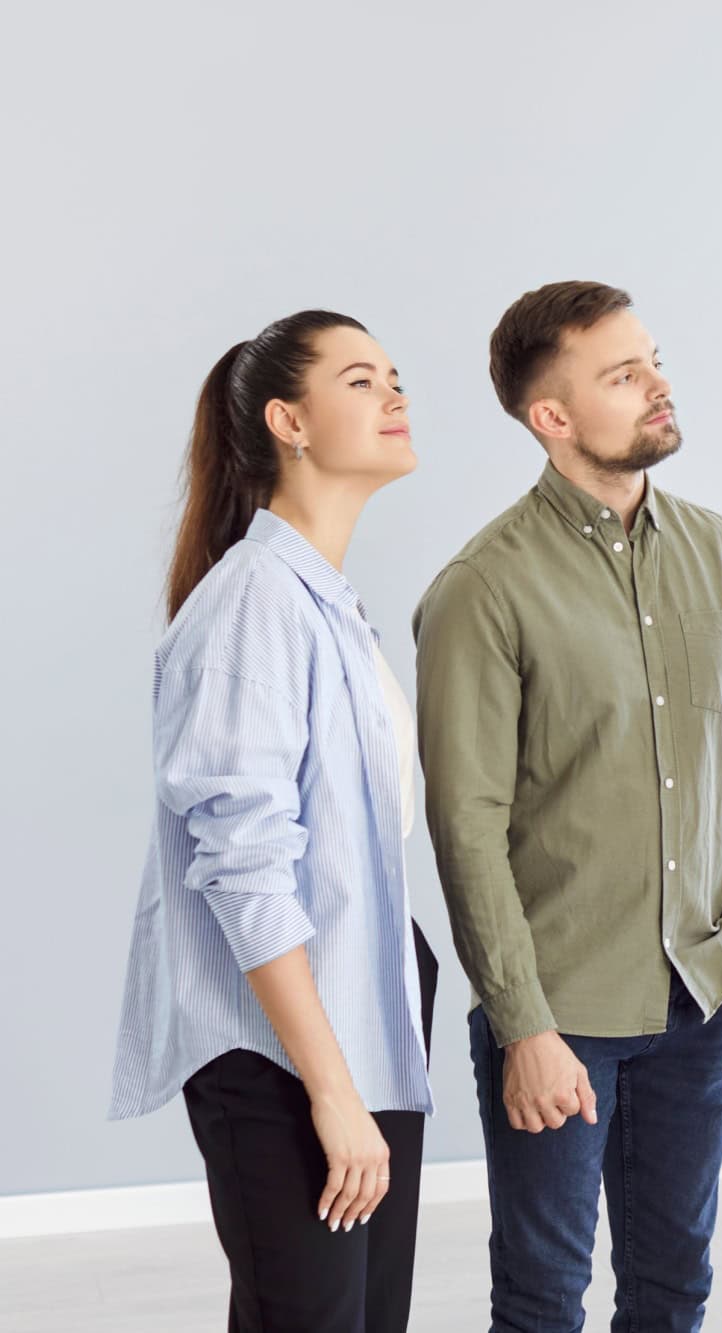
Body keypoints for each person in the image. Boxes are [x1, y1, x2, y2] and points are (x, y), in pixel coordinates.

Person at [414, 280, 722, 1333]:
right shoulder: (482, 588)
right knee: (543, 1299)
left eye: (653, 362)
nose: (657, 386)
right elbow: (465, 824)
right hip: (558, 1011)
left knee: (675, 1287)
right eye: (623, 375)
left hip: (699, 991)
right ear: (551, 415)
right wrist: (522, 1022)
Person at [110, 310, 439, 1333]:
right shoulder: (254, 601)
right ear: (288, 422)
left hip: (366, 1010)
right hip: (285, 1049)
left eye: (394, 376)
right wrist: (331, 1091)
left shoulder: (326, 603)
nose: (395, 394)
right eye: (360, 380)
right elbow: (244, 866)